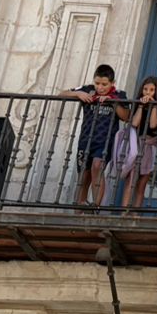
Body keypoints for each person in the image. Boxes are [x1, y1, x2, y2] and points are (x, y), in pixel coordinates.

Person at [59, 64, 127, 209]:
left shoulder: (119, 95)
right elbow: (61, 93)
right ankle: (80, 211)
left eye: (104, 84)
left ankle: (96, 207)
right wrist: (78, 94)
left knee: (97, 166)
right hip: (86, 139)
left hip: (105, 141)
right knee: (83, 176)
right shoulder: (87, 89)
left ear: (112, 83)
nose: (100, 88)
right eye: (97, 83)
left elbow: (126, 116)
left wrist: (113, 102)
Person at [119, 76, 157, 211]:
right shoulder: (137, 103)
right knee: (131, 180)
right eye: (145, 89)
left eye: (152, 90)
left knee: (142, 183)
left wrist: (153, 106)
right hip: (137, 144)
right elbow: (134, 123)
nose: (148, 93)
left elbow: (153, 124)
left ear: (156, 91)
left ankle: (135, 214)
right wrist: (141, 106)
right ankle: (124, 212)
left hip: (150, 146)